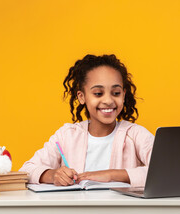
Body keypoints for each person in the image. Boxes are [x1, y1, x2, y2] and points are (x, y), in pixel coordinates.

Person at [19, 54, 154, 188]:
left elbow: (168, 170)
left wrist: (111, 175)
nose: (108, 100)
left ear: (123, 95)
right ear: (82, 97)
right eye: (98, 93)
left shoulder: (135, 135)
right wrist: (53, 175)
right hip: (75, 209)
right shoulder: (67, 135)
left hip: (120, 210)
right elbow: (26, 171)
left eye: (116, 93)